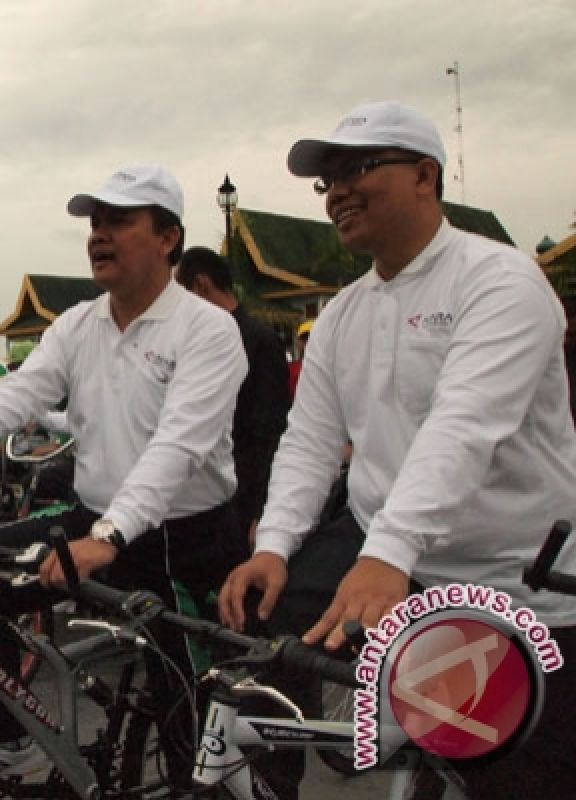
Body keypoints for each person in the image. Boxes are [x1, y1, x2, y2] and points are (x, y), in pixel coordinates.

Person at [217, 100, 576, 799]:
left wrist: (387, 552)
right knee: (260, 624)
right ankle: (272, 780)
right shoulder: (344, 314)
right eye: (327, 182)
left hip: (514, 581)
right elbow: (311, 441)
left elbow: (464, 426)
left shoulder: (499, 281)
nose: (338, 192)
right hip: (393, 563)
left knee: (520, 778)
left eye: (357, 168)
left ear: (424, 175)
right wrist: (276, 544)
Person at [0, 163, 248, 787]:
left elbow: (176, 447)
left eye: (118, 221)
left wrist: (111, 535)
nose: (98, 235)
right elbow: (24, 391)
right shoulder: (77, 324)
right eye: (95, 223)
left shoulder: (208, 330)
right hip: (96, 519)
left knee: (189, 732)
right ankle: (12, 740)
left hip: (183, 539)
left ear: (167, 238)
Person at [177, 246, 290, 541]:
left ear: (200, 285)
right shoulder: (196, 342)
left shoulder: (259, 341)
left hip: (244, 495)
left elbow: (269, 432)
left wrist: (262, 510)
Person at [287, 318, 313, 398]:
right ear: (298, 342)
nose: (308, 342)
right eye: (304, 338)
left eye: (312, 338)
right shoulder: (290, 369)